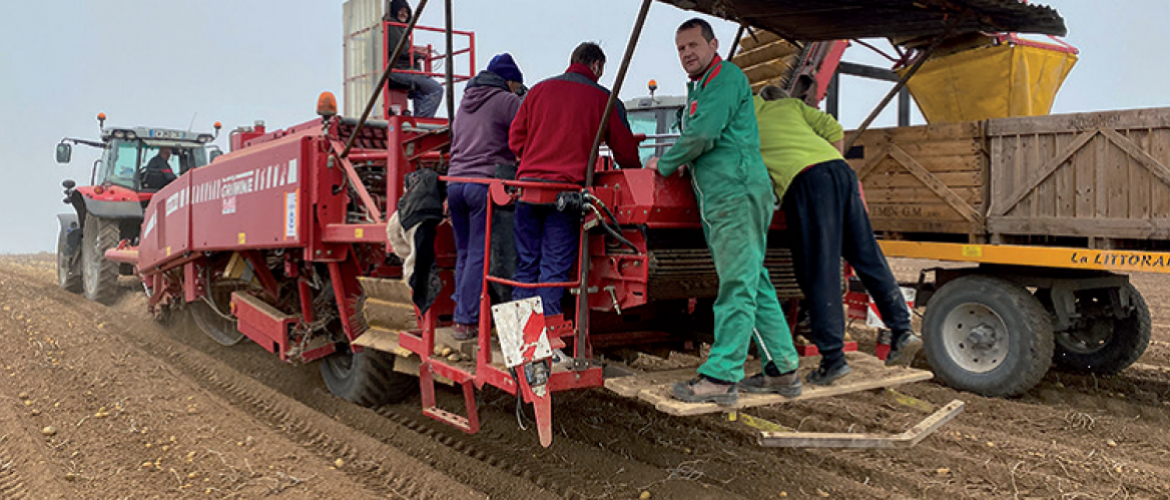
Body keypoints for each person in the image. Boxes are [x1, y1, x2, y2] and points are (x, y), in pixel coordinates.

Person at [648, 19, 800, 405]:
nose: (687, 53)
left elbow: (702, 134)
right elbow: (703, 135)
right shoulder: (701, 86)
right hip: (729, 195)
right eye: (680, 48)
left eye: (694, 45)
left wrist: (664, 164)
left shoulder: (724, 77)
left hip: (735, 194)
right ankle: (783, 368)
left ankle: (721, 375)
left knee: (736, 283)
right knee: (754, 281)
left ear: (713, 44)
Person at [755, 84, 923, 386]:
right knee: (867, 256)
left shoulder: (751, 110)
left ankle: (833, 360)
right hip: (840, 171)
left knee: (819, 271)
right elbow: (834, 128)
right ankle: (902, 330)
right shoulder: (792, 107)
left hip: (807, 182)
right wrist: (830, 162)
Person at [508, 42, 641, 319]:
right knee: (554, 268)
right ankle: (549, 339)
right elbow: (626, 153)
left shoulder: (538, 91)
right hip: (565, 195)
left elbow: (515, 140)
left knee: (526, 266)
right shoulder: (604, 99)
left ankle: (522, 344)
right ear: (596, 66)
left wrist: (536, 161)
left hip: (528, 190)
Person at [446, 53, 525, 341]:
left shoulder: (465, 102)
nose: (516, 92)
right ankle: (467, 321)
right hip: (482, 184)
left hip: (454, 184)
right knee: (481, 252)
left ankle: (460, 317)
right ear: (509, 81)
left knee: (465, 252)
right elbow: (530, 128)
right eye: (517, 86)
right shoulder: (505, 100)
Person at [384, 0, 442, 118]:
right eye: (400, 11)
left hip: (399, 69)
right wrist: (418, 54)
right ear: (394, 11)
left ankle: (420, 120)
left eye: (406, 12)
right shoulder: (392, 25)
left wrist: (414, 50)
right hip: (396, 70)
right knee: (435, 89)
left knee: (421, 92)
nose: (404, 14)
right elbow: (398, 49)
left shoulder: (397, 29)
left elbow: (398, 47)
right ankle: (423, 121)